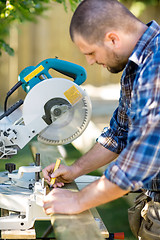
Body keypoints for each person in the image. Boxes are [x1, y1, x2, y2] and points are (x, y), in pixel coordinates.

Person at [42, 0, 160, 239]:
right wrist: (75, 169)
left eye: (91, 53)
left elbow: (138, 164)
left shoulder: (156, 65)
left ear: (113, 39)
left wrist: (78, 200)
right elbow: (119, 135)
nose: (90, 62)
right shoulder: (136, 67)